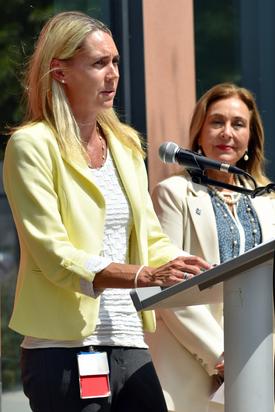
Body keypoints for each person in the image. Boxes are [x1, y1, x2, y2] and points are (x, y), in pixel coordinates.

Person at [2, 11, 211, 412]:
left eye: (115, 61)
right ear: (60, 72)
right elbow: (53, 253)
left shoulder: (126, 144)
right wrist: (142, 274)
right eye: (99, 63)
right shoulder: (31, 146)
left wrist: (183, 265)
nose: (113, 74)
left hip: (128, 337)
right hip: (62, 347)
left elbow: (148, 236)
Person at [147, 82, 275, 412]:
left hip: (261, 364)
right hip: (194, 365)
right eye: (217, 122)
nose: (227, 133)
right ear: (199, 133)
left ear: (251, 137)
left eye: (238, 124)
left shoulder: (267, 201)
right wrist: (221, 354)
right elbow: (171, 286)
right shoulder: (173, 194)